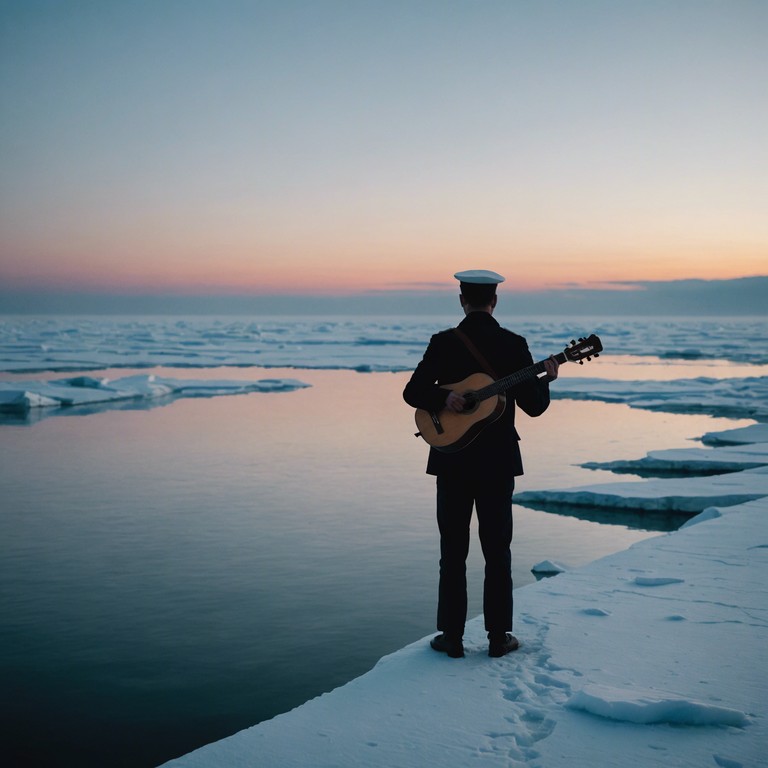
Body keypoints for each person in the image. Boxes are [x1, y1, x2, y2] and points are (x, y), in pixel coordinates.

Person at [403, 269, 559, 658]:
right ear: (495, 301)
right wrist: (547, 380)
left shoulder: (442, 343)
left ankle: (451, 638)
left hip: (451, 461)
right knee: (497, 551)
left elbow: (412, 392)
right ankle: (497, 638)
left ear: (462, 300)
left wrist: (439, 399)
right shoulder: (513, 344)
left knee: (452, 550)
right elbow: (535, 407)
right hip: (497, 463)